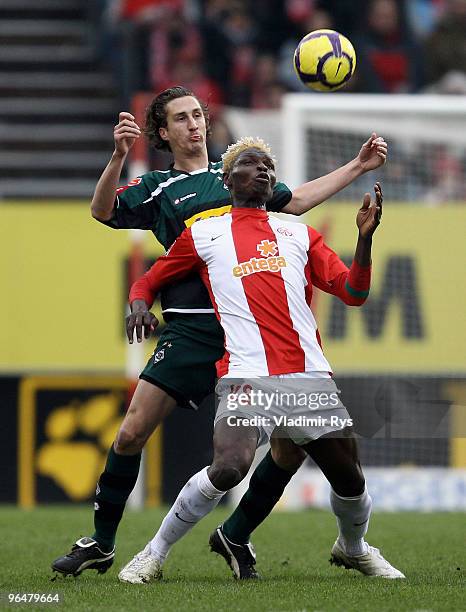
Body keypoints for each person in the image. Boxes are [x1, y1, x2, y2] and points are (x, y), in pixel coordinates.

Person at [51, 86, 388, 578]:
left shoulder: (239, 176)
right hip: (192, 331)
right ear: (163, 133)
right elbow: (103, 211)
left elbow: (295, 202)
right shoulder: (160, 187)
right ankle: (102, 543)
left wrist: (357, 169)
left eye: (197, 115)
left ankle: (236, 534)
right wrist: (119, 157)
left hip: (254, 336)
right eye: (181, 119)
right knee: (130, 432)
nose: (194, 124)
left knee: (288, 448)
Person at [120, 138, 405, 582]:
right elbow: (149, 280)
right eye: (251, 164)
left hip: (307, 376)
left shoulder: (300, 233)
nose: (264, 170)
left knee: (350, 481)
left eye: (269, 166)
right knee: (228, 466)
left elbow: (353, 292)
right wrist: (139, 305)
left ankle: (353, 547)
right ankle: (153, 554)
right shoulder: (204, 232)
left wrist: (364, 242)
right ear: (228, 179)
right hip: (245, 374)